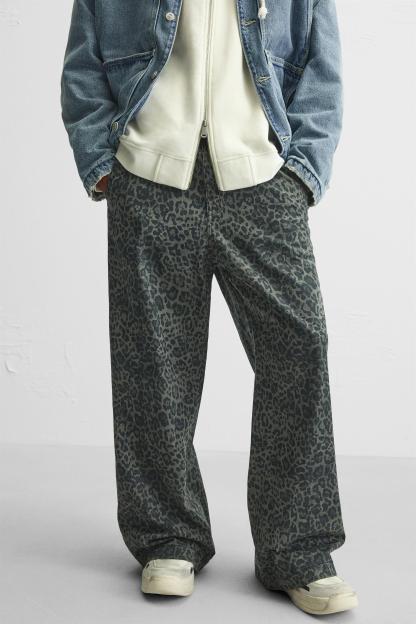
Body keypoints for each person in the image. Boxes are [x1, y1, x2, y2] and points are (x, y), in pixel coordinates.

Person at [60, 0, 358, 615]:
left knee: (299, 348)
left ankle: (298, 552)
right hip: (149, 180)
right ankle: (168, 539)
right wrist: (105, 166)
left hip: (263, 183)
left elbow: (321, 68)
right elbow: (83, 65)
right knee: (154, 366)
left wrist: (302, 173)